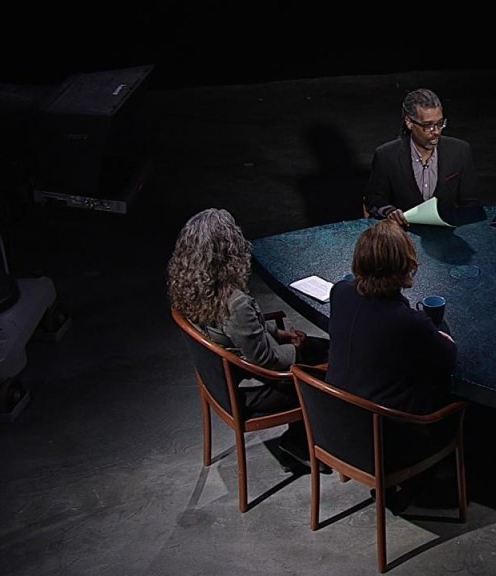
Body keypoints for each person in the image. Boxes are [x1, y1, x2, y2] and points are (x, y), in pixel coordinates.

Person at [166, 208, 330, 472]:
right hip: (247, 389)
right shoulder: (235, 301)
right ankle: (301, 442)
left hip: (222, 379)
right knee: (328, 368)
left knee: (321, 347)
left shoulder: (190, 286)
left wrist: (276, 334)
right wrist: (295, 348)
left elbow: (233, 329)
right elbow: (266, 360)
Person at [327, 219, 457, 511]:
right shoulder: (408, 322)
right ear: (405, 265)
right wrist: (439, 335)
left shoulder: (340, 293)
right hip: (384, 442)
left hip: (333, 426)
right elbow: (449, 358)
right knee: (452, 396)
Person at [363, 88, 479, 226]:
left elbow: (471, 203)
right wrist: (389, 212)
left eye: (440, 123)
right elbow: (373, 199)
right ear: (409, 122)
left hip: (448, 236)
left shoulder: (460, 151)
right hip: (405, 237)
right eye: (428, 125)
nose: (436, 131)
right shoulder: (386, 156)